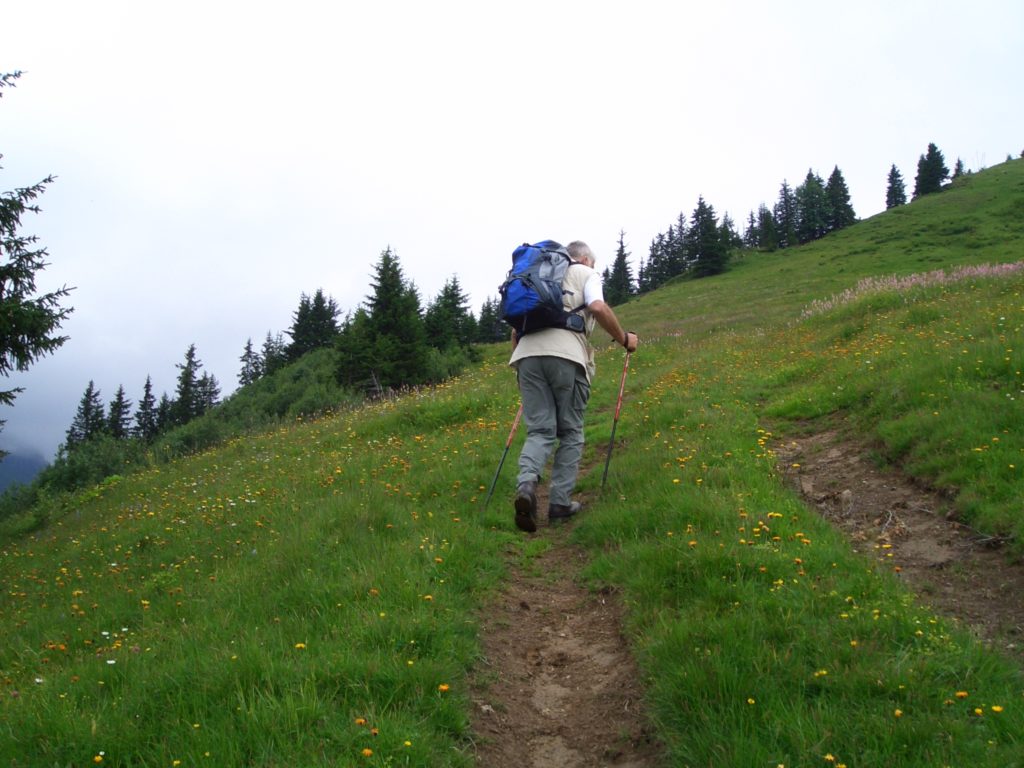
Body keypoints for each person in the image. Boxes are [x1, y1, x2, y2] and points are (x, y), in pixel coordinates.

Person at [509, 240, 639, 532]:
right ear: (585, 259)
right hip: (567, 355)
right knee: (570, 431)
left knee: (540, 430)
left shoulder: (536, 276)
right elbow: (597, 307)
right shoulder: (585, 273)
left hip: (526, 357)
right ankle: (559, 503)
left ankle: (527, 486)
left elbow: (516, 332)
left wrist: (526, 366)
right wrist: (624, 340)